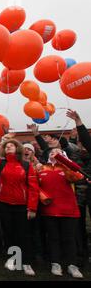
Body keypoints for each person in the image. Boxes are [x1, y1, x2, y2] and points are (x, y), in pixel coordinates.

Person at [0, 133, 39, 276]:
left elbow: (33, 188)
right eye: (6, 146)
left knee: (24, 234)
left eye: (11, 145)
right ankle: (13, 258)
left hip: (22, 205)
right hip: (4, 204)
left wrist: (32, 207)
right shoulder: (1, 163)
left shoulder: (26, 165)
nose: (8, 147)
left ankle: (26, 262)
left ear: (17, 149)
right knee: (8, 233)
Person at [37, 148, 84, 278]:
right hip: (49, 209)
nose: (54, 153)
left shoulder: (66, 168)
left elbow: (77, 177)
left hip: (68, 210)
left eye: (58, 152)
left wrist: (65, 163)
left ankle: (72, 265)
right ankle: (55, 263)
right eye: (52, 152)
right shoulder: (41, 168)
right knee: (53, 238)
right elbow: (35, 185)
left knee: (69, 238)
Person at [66, 109, 91, 267]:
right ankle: (83, 254)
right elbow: (87, 141)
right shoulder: (79, 152)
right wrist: (79, 122)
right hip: (83, 192)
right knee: (80, 224)